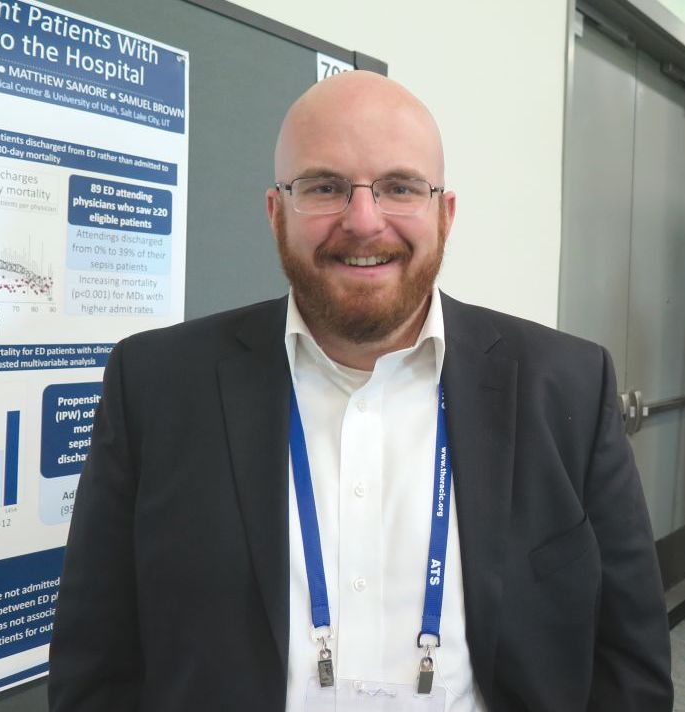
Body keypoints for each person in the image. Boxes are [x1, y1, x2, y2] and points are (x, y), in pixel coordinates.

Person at [48, 71, 673, 711]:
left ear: (445, 215)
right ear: (276, 213)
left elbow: (631, 670)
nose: (365, 221)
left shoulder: (567, 386)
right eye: (325, 187)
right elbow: (95, 670)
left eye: (400, 187)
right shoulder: (155, 385)